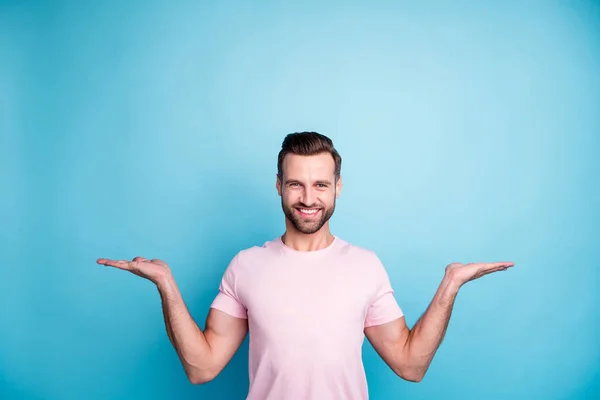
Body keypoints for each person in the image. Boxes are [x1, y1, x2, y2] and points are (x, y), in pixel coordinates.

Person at [97, 132, 514, 400]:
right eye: (296, 183)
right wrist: (166, 284)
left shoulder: (365, 267)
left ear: (338, 188)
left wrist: (450, 285)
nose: (308, 198)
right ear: (279, 186)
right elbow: (202, 367)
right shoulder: (246, 265)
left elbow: (410, 364)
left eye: (320, 185)